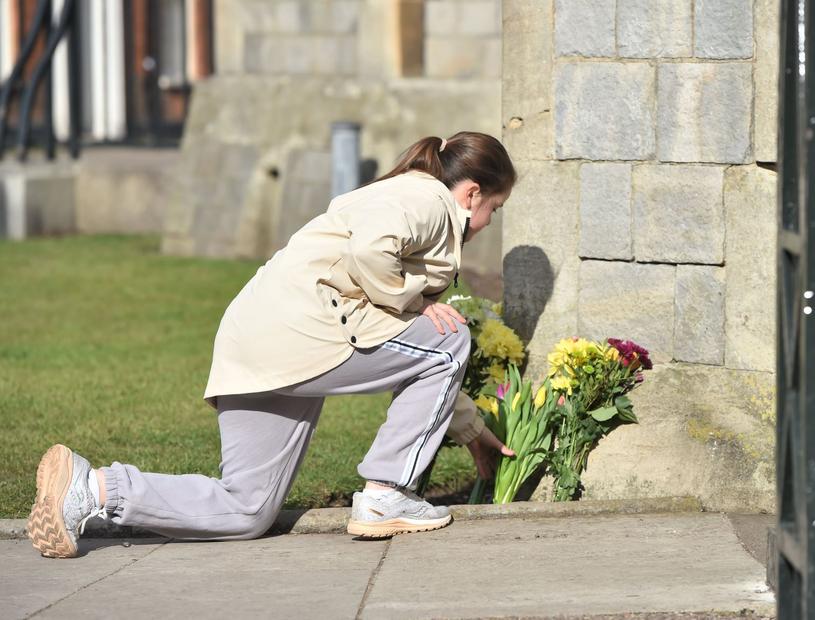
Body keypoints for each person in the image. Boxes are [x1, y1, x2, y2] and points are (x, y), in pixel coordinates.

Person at [27, 131, 518, 559]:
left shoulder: (409, 197)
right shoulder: (429, 200)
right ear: (472, 193)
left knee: (248, 510)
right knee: (450, 336)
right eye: (493, 210)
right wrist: (411, 304)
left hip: (261, 343)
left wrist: (470, 428)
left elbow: (411, 361)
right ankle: (387, 493)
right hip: (302, 335)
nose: (487, 223)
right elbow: (372, 251)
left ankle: (89, 488)